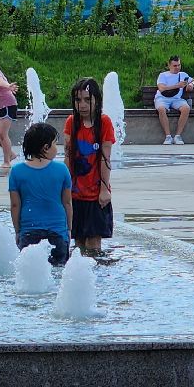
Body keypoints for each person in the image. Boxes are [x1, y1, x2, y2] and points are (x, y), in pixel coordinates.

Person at [8, 121, 73, 266]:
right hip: (58, 232)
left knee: (31, 274)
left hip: (29, 232)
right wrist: (68, 229)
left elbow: (15, 205)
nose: (57, 148)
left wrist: (18, 231)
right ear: (46, 147)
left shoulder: (17, 171)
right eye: (55, 144)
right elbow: (67, 203)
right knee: (59, 274)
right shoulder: (62, 170)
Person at [63, 77, 114, 259]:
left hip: (95, 195)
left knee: (93, 245)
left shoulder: (104, 122)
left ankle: (97, 282)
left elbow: (105, 157)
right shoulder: (71, 122)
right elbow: (68, 156)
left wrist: (104, 189)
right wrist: (65, 188)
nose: (82, 105)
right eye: (78, 100)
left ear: (96, 101)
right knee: (77, 243)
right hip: (75, 193)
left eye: (87, 100)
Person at [155, 54, 194, 144]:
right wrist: (177, 85)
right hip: (162, 98)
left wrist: (191, 85)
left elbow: (193, 80)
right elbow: (161, 88)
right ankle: (168, 136)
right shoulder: (163, 75)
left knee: (186, 108)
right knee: (161, 109)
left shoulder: (183, 75)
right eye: (175, 65)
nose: (177, 67)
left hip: (176, 99)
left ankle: (178, 136)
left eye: (179, 65)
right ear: (169, 65)